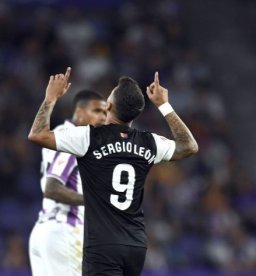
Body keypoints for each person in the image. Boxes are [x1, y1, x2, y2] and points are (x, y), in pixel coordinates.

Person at [28, 67, 198, 275]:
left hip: (102, 245)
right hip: (135, 245)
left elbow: (37, 135)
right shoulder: (149, 142)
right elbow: (189, 146)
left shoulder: (89, 137)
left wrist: (50, 98)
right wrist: (164, 105)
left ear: (108, 105)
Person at [29, 90, 107, 276]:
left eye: (105, 112)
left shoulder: (57, 135)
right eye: (97, 111)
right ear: (79, 112)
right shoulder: (75, 138)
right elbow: (52, 188)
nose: (103, 117)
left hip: (44, 231)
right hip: (64, 231)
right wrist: (94, 200)